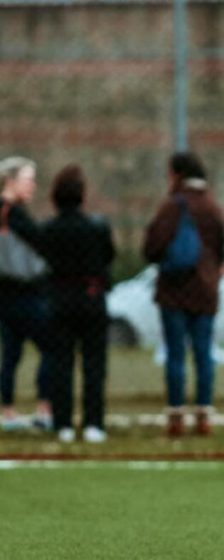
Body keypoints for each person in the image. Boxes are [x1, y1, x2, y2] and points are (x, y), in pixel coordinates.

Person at [5, 164, 114, 443]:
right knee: (94, 365)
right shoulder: (97, 228)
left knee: (60, 363)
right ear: (82, 196)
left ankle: (63, 423)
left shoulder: (50, 231)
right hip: (91, 300)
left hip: (60, 301)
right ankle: (94, 424)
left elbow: (30, 237)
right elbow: (108, 259)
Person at [142, 151, 224, 438]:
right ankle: (204, 415)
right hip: (205, 292)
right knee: (204, 355)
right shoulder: (213, 207)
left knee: (175, 355)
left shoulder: (173, 206)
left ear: (177, 174)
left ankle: (176, 416)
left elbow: (151, 248)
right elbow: (221, 251)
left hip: (174, 292)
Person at [0, 156, 53, 433]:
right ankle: (45, 408)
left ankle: (7, 411)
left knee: (11, 353)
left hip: (7, 295)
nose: (33, 185)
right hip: (23, 293)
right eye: (28, 179)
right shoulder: (13, 213)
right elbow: (42, 244)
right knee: (50, 346)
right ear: (10, 181)